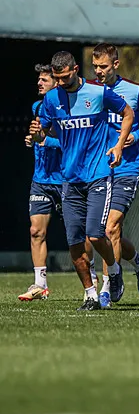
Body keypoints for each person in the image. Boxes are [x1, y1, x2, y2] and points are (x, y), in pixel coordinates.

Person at [29, 51, 134, 311]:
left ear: (75, 69)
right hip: (70, 178)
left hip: (98, 173)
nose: (61, 82)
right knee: (75, 244)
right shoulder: (51, 99)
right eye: (57, 78)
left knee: (97, 235)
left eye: (65, 77)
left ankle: (115, 269)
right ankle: (90, 295)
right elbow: (45, 127)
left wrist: (119, 144)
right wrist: (37, 131)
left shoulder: (98, 92)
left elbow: (128, 114)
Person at [90, 44, 139, 307]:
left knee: (110, 227)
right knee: (99, 233)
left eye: (104, 67)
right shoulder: (90, 91)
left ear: (115, 65)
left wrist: (136, 136)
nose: (99, 72)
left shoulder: (135, 90)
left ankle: (108, 286)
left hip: (126, 169)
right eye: (95, 66)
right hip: (96, 168)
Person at [19, 64, 63, 302]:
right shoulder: (37, 107)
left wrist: (45, 139)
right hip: (41, 180)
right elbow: (40, 138)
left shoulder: (68, 109)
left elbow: (71, 143)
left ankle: (94, 280)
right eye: (39, 79)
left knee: (84, 236)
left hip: (68, 179)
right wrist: (33, 140)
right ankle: (40, 284)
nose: (39, 83)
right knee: (36, 231)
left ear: (57, 82)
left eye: (44, 79)